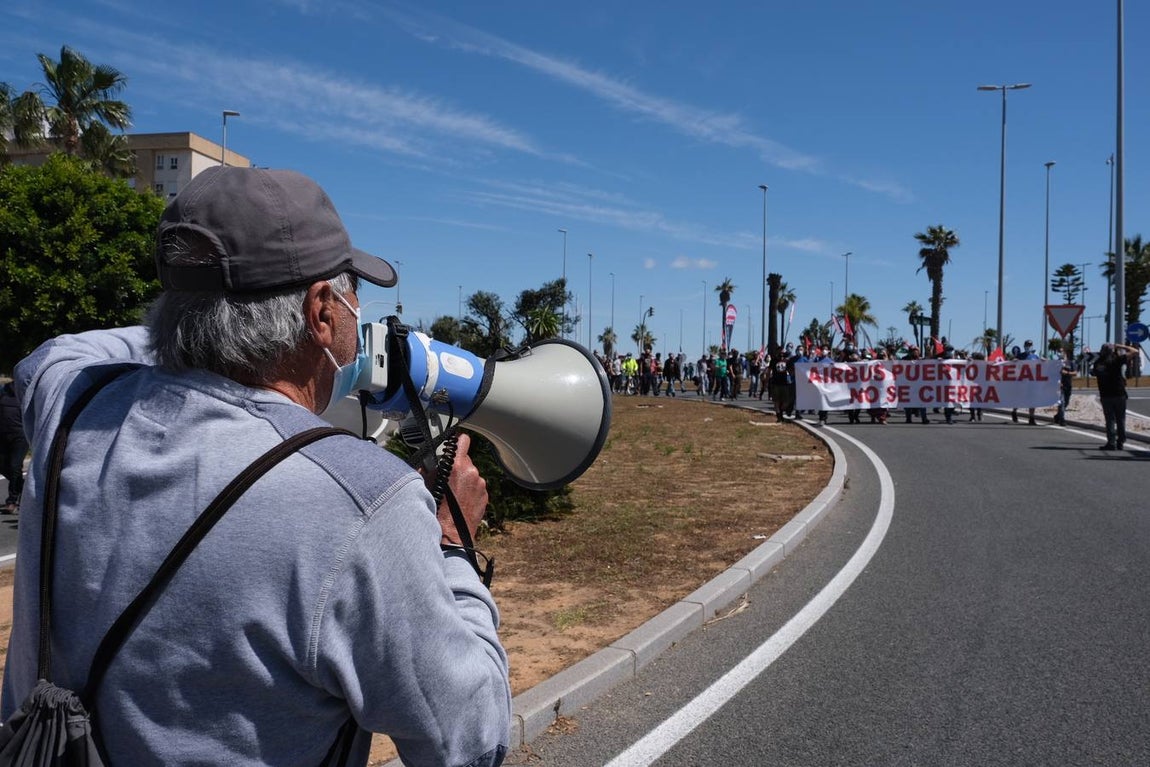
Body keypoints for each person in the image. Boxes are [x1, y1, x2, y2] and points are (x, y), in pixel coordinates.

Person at [1, 167, 511, 766]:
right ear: (321, 312)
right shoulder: (362, 499)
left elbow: (52, 355)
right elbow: (470, 740)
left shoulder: (73, 405)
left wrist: (191, 325)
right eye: (353, 301)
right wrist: (452, 548)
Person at [1092, 342, 1138, 450]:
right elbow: (1135, 352)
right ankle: (1121, 441)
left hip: (1105, 395)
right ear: (1112, 351)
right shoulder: (1116, 360)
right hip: (1119, 394)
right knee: (1120, 419)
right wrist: (1121, 346)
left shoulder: (1098, 363)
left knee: (1110, 419)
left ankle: (1111, 442)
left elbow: (1094, 373)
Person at [0, 381, 27, 514]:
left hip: (20, 437)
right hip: (3, 436)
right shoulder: (2, 395)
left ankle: (12, 501)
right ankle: (24, 488)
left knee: (15, 466)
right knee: (3, 467)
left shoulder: (27, 397)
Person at [1055, 348, 1075, 425]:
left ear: (1064, 352)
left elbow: (1075, 373)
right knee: (1062, 402)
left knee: (1066, 403)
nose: (1059, 353)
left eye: (1061, 352)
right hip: (1060, 386)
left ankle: (1057, 416)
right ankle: (1062, 420)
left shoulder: (1070, 363)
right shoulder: (1056, 363)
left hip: (1068, 385)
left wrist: (1066, 373)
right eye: (1058, 352)